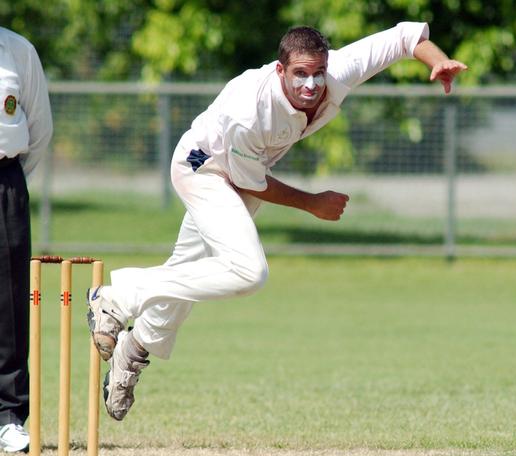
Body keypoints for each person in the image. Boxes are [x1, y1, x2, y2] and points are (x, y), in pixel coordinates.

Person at [86, 22, 466, 421]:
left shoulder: (337, 70)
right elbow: (252, 182)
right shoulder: (248, 111)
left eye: (318, 72)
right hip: (204, 169)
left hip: (241, 174)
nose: (312, 84)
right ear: (280, 70)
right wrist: (312, 203)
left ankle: (134, 349)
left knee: (192, 274)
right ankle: (116, 297)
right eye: (300, 73)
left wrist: (438, 62)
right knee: (248, 272)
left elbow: (405, 39)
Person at [0, 27, 53, 452]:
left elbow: (39, 126)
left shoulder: (17, 48)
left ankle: (8, 415)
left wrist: (10, 182)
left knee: (10, 300)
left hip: (4, 178)